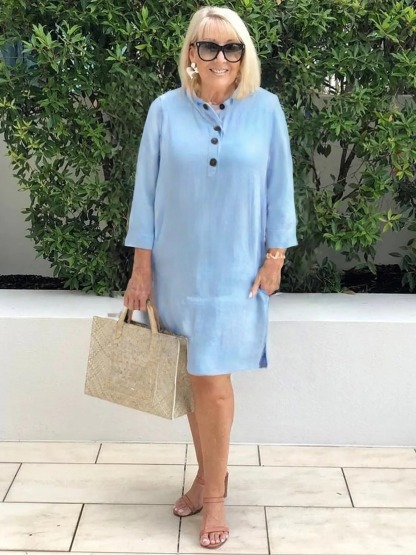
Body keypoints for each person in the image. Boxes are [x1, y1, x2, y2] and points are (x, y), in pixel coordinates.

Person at [123, 5, 297, 550]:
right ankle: (206, 478)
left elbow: (280, 188)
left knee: (213, 383)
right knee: (196, 380)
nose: (221, 57)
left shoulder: (266, 109)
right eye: (209, 46)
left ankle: (215, 495)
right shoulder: (164, 111)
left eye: (232, 47)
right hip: (177, 270)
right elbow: (145, 195)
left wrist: (275, 257)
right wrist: (141, 270)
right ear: (192, 54)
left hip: (237, 271)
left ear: (244, 54)